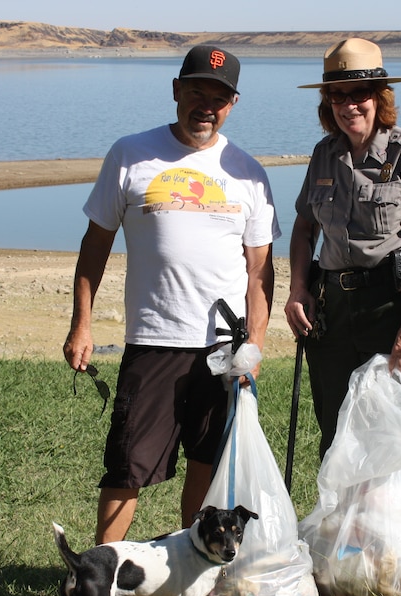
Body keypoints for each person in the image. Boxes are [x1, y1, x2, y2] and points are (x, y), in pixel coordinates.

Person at [64, 45, 279, 544]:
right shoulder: (130, 154)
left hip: (224, 348)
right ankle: (106, 572)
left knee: (207, 461)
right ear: (176, 90)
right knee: (126, 462)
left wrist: (256, 349)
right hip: (154, 338)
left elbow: (260, 272)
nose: (207, 105)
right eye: (197, 91)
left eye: (219, 98)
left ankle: (192, 570)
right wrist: (82, 324)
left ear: (233, 104)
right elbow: (95, 245)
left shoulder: (248, 173)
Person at [284, 38, 401, 459]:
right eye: (338, 95)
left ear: (379, 97)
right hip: (334, 310)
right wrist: (297, 290)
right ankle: (345, 525)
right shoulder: (324, 155)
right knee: (339, 432)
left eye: (359, 93)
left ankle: (396, 527)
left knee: (396, 432)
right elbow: (304, 228)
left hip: (392, 305)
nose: (349, 105)